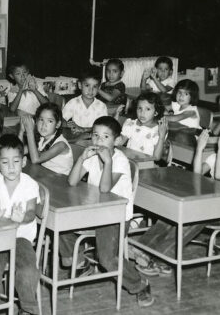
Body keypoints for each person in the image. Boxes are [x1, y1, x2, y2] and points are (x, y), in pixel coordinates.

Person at [135, 118, 220, 277]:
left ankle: (162, 258)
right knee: (174, 213)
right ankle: (143, 247)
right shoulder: (215, 156)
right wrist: (200, 149)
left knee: (193, 218)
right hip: (211, 205)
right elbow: (196, 174)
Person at [63, 116, 154, 307]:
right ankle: (81, 263)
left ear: (117, 141)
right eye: (95, 136)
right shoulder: (93, 156)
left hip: (116, 216)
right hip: (94, 210)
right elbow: (71, 181)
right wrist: (81, 158)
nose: (98, 141)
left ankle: (140, 284)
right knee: (59, 222)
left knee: (107, 259)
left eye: (105, 137)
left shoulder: (119, 160)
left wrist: (108, 162)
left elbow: (105, 189)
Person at [0, 134, 42, 315]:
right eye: (5, 162)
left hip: (21, 237)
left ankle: (28, 309)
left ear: (24, 162)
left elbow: (30, 212)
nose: (11, 167)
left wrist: (23, 218)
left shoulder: (30, 184)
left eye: (16, 161)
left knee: (28, 269)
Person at [20, 102, 73, 175]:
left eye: (50, 121)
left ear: (58, 124)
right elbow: (18, 152)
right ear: (36, 121)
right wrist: (21, 130)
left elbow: (36, 159)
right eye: (41, 120)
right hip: (46, 177)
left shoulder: (61, 145)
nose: (44, 125)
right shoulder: (41, 139)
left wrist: (29, 132)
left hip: (60, 182)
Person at [120, 92, 168, 160]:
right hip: (129, 162)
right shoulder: (131, 124)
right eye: (139, 108)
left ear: (156, 112)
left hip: (146, 165)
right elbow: (119, 142)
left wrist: (162, 137)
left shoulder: (158, 130)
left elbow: (157, 157)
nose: (142, 113)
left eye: (148, 109)